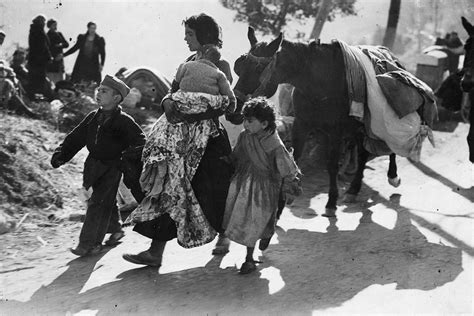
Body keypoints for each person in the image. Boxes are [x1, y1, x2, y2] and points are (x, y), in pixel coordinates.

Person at [122, 13, 234, 267]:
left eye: (190, 34)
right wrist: (167, 101)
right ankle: (155, 252)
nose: (185, 39)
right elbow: (172, 90)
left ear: (204, 35)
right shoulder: (188, 61)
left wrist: (192, 111)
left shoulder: (221, 65)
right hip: (179, 138)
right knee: (169, 186)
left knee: (213, 192)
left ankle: (225, 235)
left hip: (210, 141)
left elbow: (224, 104)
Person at [51, 75, 146, 256]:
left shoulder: (124, 121)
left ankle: (89, 243)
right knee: (104, 201)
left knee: (97, 203)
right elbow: (76, 138)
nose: (98, 93)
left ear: (116, 98)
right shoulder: (93, 117)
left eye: (104, 91)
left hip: (113, 167)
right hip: (93, 165)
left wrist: (128, 155)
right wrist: (61, 155)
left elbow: (141, 140)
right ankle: (116, 229)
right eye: (99, 90)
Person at [222, 97, 302, 274]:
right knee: (245, 219)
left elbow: (286, 168)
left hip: (264, 188)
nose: (245, 124)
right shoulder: (245, 136)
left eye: (250, 121)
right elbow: (237, 155)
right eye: (245, 120)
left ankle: (249, 259)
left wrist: (289, 187)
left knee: (256, 220)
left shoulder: (274, 144)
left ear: (265, 123)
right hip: (243, 184)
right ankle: (251, 254)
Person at [27, 15, 53, 100]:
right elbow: (43, 46)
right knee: (38, 78)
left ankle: (34, 95)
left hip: (35, 59)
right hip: (39, 60)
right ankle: (36, 96)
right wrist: (48, 56)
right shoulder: (38, 31)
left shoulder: (34, 30)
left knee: (35, 78)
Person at [46, 19, 69, 84]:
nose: (55, 26)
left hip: (59, 60)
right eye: (53, 25)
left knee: (60, 81)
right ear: (49, 26)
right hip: (51, 60)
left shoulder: (59, 34)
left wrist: (60, 45)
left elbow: (66, 44)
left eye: (56, 25)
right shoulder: (47, 35)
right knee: (51, 80)